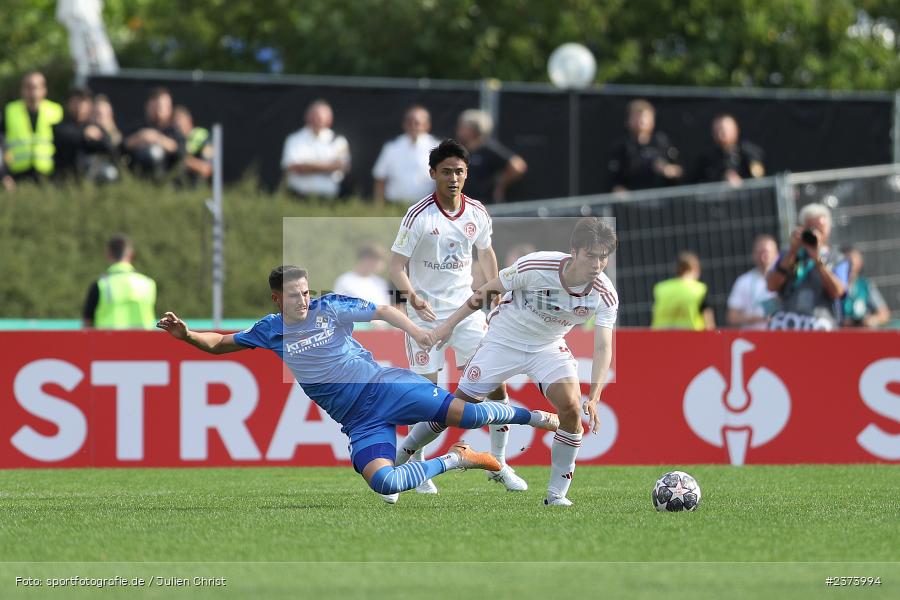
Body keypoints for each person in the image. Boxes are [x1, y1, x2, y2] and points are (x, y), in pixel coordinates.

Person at [156, 265, 559, 504]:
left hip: (384, 386)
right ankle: (460, 459)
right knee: (384, 484)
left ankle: (533, 416)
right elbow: (220, 344)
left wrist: (417, 332)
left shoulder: (330, 307)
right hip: (357, 420)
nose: (303, 299)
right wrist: (187, 335)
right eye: (294, 295)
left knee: (467, 414)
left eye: (306, 292)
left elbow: (382, 309)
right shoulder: (269, 330)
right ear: (276, 299)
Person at [399, 217, 619, 507]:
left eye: (604, 257)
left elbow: (603, 346)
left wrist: (596, 394)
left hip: (547, 347)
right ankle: (402, 457)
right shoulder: (536, 266)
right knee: (455, 411)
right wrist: (448, 326)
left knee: (571, 409)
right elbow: (484, 293)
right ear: (574, 251)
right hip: (503, 340)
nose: (598, 264)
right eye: (591, 255)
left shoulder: (604, 294)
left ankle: (556, 496)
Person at [389, 139, 523, 494]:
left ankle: (499, 463)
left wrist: (494, 291)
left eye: (459, 171)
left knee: (494, 384)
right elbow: (395, 267)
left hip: (467, 314)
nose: (453, 178)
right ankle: (418, 472)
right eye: (446, 171)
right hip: (426, 319)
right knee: (426, 395)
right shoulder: (419, 215)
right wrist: (413, 297)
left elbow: (487, 254)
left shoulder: (477, 212)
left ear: (467, 174)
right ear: (433, 174)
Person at [766, 203, 849, 331]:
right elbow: (771, 286)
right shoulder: (789, 254)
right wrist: (793, 252)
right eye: (811, 228)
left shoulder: (838, 258)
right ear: (802, 228)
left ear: (828, 228)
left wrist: (817, 260)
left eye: (820, 228)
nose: (816, 233)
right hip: (790, 325)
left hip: (821, 325)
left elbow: (837, 292)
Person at [82, 234, 157, 329]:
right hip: (143, 343)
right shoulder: (148, 284)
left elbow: (87, 325)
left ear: (108, 254)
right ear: (131, 254)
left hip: (108, 343)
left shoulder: (100, 285)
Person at [1, 71, 64, 184]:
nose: (32, 91)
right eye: (28, 87)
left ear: (44, 89)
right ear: (22, 90)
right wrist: (3, 174)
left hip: (48, 175)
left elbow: (63, 146)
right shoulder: (10, 110)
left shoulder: (56, 111)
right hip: (16, 175)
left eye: (35, 87)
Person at [607, 99, 682, 192]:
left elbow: (679, 170)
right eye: (636, 117)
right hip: (633, 202)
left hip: (660, 200)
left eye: (644, 117)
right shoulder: (622, 146)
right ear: (628, 121)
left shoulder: (662, 142)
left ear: (652, 120)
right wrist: (619, 190)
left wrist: (667, 170)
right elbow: (612, 179)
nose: (641, 121)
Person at [281, 99, 350, 199]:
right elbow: (294, 167)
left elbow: (342, 166)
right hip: (298, 197)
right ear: (307, 117)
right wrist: (328, 166)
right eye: (315, 117)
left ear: (329, 119)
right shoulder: (294, 139)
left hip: (329, 199)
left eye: (321, 118)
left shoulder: (338, 140)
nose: (318, 121)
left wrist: (308, 166)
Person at [372, 105, 440, 206]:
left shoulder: (438, 148)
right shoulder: (392, 147)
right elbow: (380, 177)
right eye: (409, 122)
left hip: (427, 208)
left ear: (427, 125)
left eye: (417, 123)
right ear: (404, 124)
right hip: (395, 207)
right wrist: (379, 207)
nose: (413, 126)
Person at [455, 109, 527, 203]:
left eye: (462, 127)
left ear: (473, 130)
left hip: (484, 204)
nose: (458, 129)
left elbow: (518, 166)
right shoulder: (461, 150)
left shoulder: (489, 149)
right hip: (464, 204)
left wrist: (501, 184)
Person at [52, 88, 115, 182]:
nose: (79, 106)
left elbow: (109, 145)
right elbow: (65, 137)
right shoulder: (61, 126)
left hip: (91, 180)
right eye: (75, 102)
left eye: (83, 102)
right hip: (65, 179)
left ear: (90, 105)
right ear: (68, 104)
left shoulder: (95, 127)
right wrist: (84, 135)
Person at [123, 87, 185, 180]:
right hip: (138, 181)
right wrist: (140, 137)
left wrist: (158, 139)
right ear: (148, 106)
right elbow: (120, 148)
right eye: (155, 106)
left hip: (168, 184)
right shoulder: (137, 128)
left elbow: (181, 152)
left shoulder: (174, 132)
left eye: (162, 106)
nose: (158, 110)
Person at [651, 251, 715, 330]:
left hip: (660, 337)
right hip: (691, 337)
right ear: (695, 268)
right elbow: (709, 322)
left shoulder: (661, 288)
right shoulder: (698, 289)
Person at [726, 234, 779, 329]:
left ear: (776, 254)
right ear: (753, 254)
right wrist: (757, 319)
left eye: (766, 252)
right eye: (759, 252)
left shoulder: (786, 279)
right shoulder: (743, 281)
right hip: (753, 339)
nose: (763, 256)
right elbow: (732, 317)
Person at [694, 114, 765, 185]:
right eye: (716, 131)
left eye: (723, 130)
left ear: (735, 130)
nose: (719, 134)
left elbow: (758, 176)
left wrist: (741, 183)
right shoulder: (707, 158)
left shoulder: (749, 152)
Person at [841, 246, 890, 329]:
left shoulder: (865, 285)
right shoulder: (834, 286)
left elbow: (884, 314)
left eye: (853, 263)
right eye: (847, 262)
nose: (850, 267)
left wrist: (871, 320)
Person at [333, 242, 391, 308]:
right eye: (379, 261)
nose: (382, 265)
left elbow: (386, 308)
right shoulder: (345, 281)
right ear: (367, 259)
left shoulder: (381, 283)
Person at [173, 105, 213, 186]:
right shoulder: (172, 139)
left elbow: (207, 169)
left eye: (180, 121)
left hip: (198, 189)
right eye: (175, 123)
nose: (177, 125)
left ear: (189, 121)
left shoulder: (203, 136)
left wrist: (187, 162)